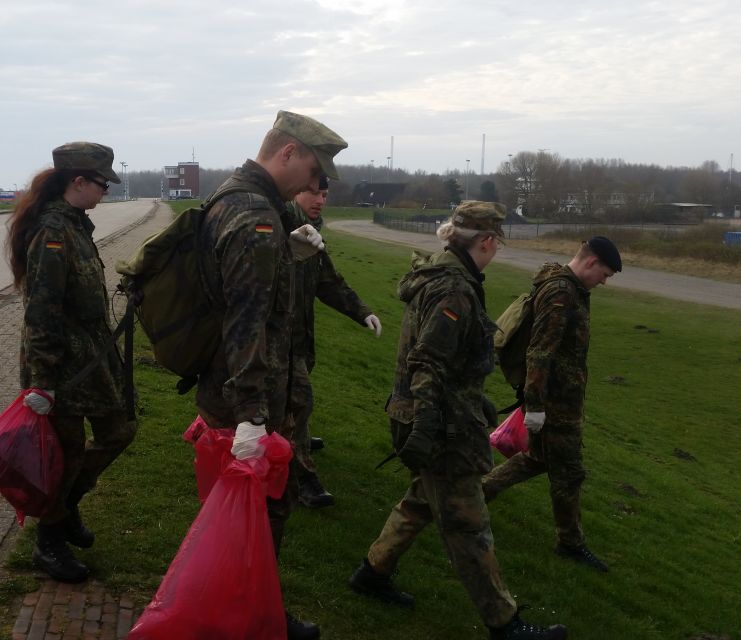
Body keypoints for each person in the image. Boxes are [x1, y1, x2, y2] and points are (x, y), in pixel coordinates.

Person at [347, 203, 567, 640]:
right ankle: (505, 624)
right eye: (497, 242)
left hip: (431, 414)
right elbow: (428, 360)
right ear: (486, 241)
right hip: (439, 425)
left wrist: (473, 398)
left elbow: (448, 358)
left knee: (421, 500)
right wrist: (428, 424)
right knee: (467, 523)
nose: (496, 249)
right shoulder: (454, 290)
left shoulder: (441, 274)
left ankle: (372, 572)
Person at [195, 110, 346, 640]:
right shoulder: (256, 215)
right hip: (248, 402)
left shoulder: (233, 197)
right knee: (262, 512)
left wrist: (287, 253)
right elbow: (246, 321)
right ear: (287, 153)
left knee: (241, 514)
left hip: (231, 390)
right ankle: (253, 618)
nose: (315, 183)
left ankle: (243, 610)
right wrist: (252, 417)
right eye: (314, 170)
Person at [7, 142, 138, 584]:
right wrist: (42, 382)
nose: (105, 191)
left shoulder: (76, 225)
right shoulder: (53, 233)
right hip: (61, 366)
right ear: (78, 182)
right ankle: (49, 541)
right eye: (102, 184)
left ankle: (65, 509)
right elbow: (41, 312)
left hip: (90, 357)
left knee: (119, 430)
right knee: (65, 454)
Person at [481, 237, 621, 573]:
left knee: (536, 459)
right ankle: (570, 543)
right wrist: (535, 405)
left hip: (559, 398)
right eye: (604, 274)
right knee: (569, 474)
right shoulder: (562, 293)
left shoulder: (568, 287)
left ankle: (472, 495)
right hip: (555, 402)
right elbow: (540, 350)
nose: (603, 282)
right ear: (591, 262)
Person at [282, 176, 381, 508]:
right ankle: (303, 479)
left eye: (324, 194)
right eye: (313, 192)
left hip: (299, 337)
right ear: (294, 191)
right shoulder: (279, 224)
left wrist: (362, 312)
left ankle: (296, 438)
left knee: (293, 402)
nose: (321, 200)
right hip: (275, 340)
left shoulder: (312, 231)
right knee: (299, 399)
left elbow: (328, 281)